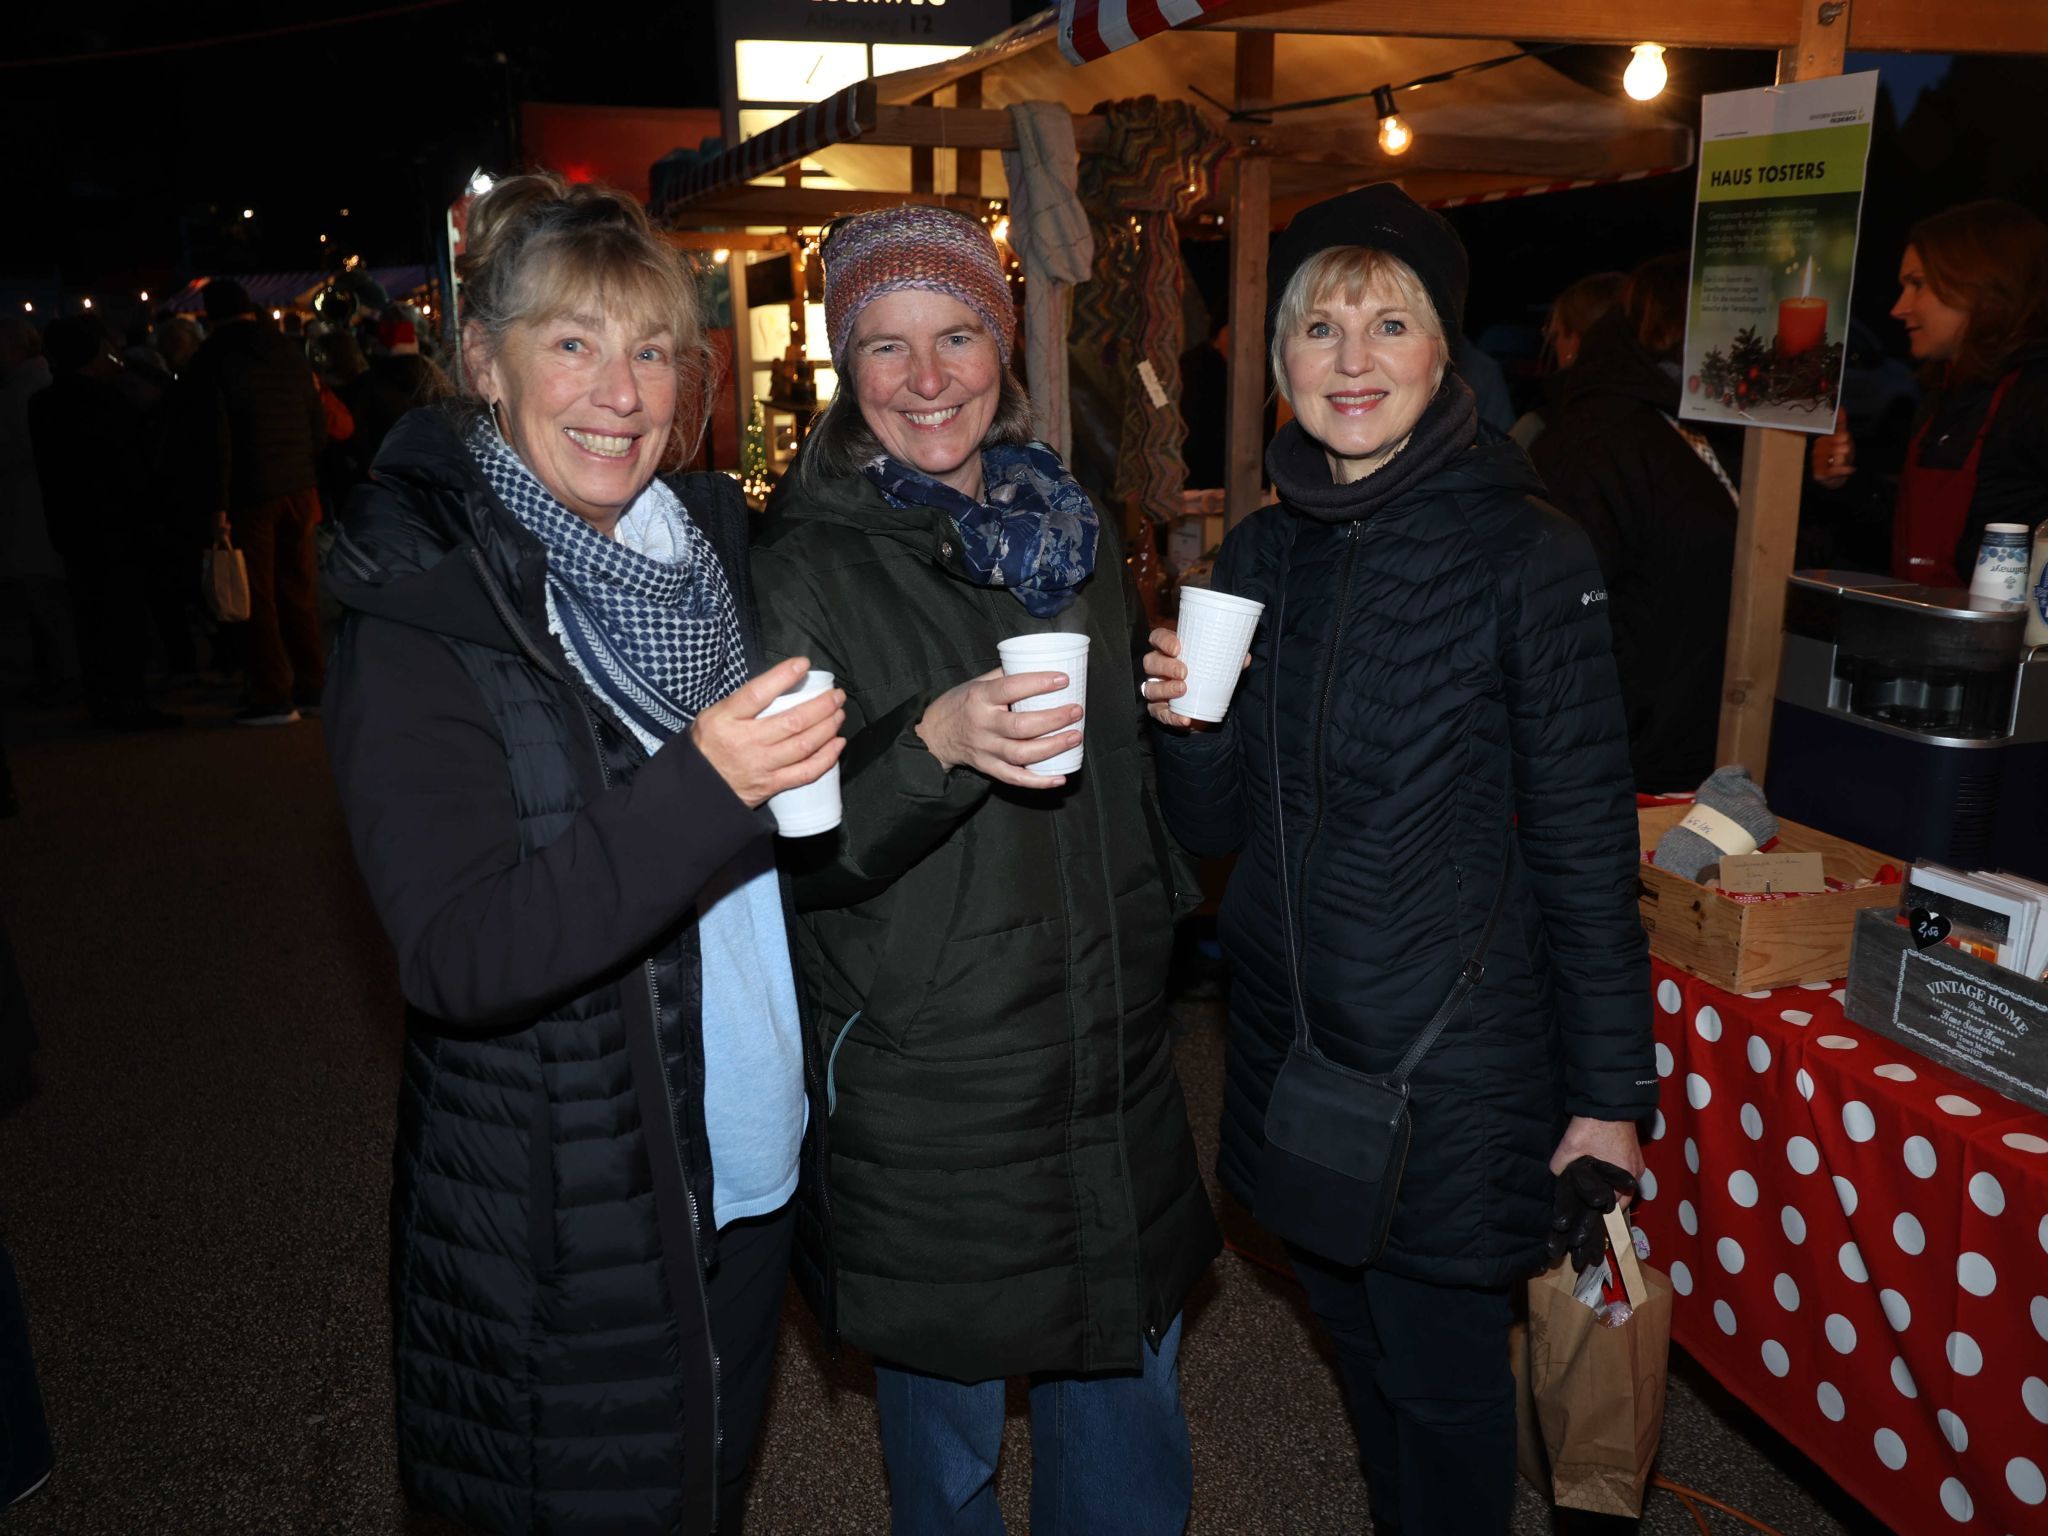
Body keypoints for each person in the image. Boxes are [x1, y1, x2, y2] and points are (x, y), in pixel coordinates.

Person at [322, 172, 845, 1535]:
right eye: (573, 343)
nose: (619, 391)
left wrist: (939, 738)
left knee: (708, 1491)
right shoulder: (426, 604)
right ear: (484, 364)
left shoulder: (704, 552)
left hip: (743, 1158)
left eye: (652, 349)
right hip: (577, 1207)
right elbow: (460, 954)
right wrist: (704, 786)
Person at [1142, 184, 1653, 1536]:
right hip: (1297, 1054)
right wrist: (1186, 717)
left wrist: (1609, 1096)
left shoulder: (1526, 552)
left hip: (1455, 1070)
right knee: (1358, 1356)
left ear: (1445, 355)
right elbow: (1209, 829)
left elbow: (1592, 837)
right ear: (1279, 365)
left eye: (1390, 324)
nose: (1353, 360)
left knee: (1439, 1390)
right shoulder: (1258, 552)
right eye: (1320, 328)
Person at [751, 204, 1219, 1536]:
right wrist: (936, 744)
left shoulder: (1071, 535)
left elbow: (1127, 793)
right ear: (847, 365)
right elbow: (804, 849)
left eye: (958, 335)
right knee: (947, 1457)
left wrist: (1182, 735)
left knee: (1126, 1431)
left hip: (1102, 1047)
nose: (929, 379)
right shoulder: (801, 564)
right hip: (931, 1077)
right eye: (887, 348)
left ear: (1003, 350)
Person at [1530, 253, 1740, 791]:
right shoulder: (1598, 439)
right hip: (1631, 769)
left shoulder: (1685, 421)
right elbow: (1565, 621)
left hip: (1693, 751)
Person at [1811, 199, 2048, 583]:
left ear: (1982, 285)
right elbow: (1904, 549)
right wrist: (1846, 484)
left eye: (1917, 285)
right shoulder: (1944, 395)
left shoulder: (2035, 396)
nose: (1898, 308)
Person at [179, 278, 329, 724]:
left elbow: (216, 438)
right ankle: (313, 683)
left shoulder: (211, 359)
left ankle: (272, 693)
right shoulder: (286, 350)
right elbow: (315, 421)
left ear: (209, 315)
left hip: (250, 492)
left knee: (257, 596)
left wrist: (217, 505)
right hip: (299, 485)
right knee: (299, 589)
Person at [26, 315, 181, 730]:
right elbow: (133, 470)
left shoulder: (42, 405)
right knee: (123, 619)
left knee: (91, 619)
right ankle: (128, 701)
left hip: (74, 528)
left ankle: (103, 699)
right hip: (119, 528)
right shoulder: (109, 404)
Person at [1510, 270, 1628, 449]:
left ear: (1575, 340)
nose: (1555, 347)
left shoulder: (1539, 428)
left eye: (1555, 336)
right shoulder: (1666, 415)